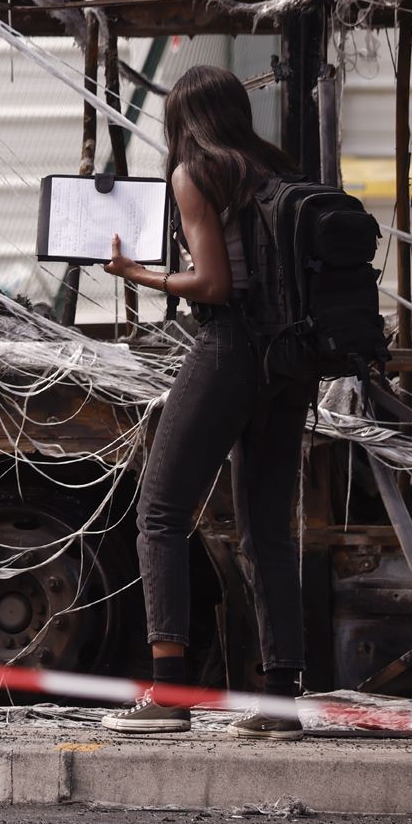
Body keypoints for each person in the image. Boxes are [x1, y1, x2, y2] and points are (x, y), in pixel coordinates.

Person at [98, 65, 312, 741]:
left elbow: (215, 283)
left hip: (230, 348)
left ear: (181, 117)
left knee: (159, 512)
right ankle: (280, 698)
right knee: (267, 528)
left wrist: (140, 273)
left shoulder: (195, 172)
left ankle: (167, 691)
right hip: (288, 359)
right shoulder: (272, 167)